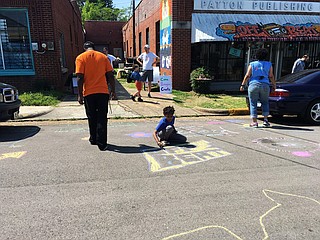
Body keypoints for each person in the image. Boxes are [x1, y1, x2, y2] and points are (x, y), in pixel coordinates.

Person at [75, 41, 116, 151]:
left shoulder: (80, 58)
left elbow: (79, 77)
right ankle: (102, 143)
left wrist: (79, 94)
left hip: (89, 93)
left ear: (85, 48)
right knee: (102, 117)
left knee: (91, 116)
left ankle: (93, 138)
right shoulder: (103, 57)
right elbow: (110, 75)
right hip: (103, 92)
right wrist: (113, 91)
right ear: (93, 47)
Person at [240, 48, 276, 128]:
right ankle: (266, 120)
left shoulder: (252, 64)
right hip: (265, 85)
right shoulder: (269, 64)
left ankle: (254, 122)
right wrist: (274, 85)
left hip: (254, 84)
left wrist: (243, 85)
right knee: (265, 102)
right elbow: (271, 76)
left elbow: (248, 75)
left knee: (253, 103)